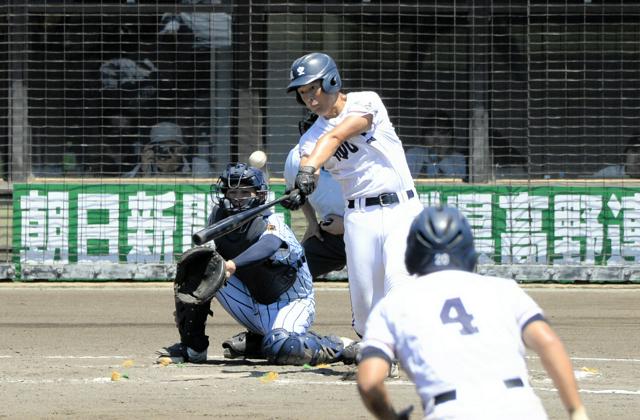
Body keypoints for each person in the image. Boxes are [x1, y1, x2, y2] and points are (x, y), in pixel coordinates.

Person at [356, 205, 590, 420]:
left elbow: (369, 382)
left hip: (451, 411)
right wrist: (576, 410)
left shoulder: (393, 304)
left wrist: (390, 417)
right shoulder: (502, 289)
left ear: (413, 253)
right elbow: (548, 341)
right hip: (520, 407)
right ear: (467, 249)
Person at [283, 52, 424, 343]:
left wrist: (309, 168)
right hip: (359, 218)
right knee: (364, 308)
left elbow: (335, 138)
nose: (310, 98)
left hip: (402, 209)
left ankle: (397, 346)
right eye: (302, 92)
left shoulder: (366, 101)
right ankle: (377, 345)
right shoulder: (308, 139)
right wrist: (302, 187)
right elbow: (313, 163)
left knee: (398, 280)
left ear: (332, 80)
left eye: (313, 88)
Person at [158, 163, 352, 366]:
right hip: (251, 299)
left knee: (285, 348)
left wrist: (231, 265)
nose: (237, 198)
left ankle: (337, 345)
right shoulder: (218, 217)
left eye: (245, 192)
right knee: (197, 267)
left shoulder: (272, 219)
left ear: (259, 195)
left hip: (290, 302)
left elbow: (268, 245)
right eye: (233, 192)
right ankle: (193, 347)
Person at [284, 111, 347, 280]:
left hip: (368, 233)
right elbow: (296, 190)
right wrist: (312, 222)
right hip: (330, 235)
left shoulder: (359, 159)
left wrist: (349, 225)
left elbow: (383, 209)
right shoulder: (296, 159)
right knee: (288, 275)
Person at [125, 121, 210, 177]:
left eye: (171, 148)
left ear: (181, 149)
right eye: (160, 148)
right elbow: (123, 191)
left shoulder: (197, 165)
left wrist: (170, 173)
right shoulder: (146, 166)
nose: (165, 152)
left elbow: (201, 194)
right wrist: (142, 171)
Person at [405, 111, 467, 180]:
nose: (436, 139)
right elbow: (406, 180)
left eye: (441, 133)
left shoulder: (458, 158)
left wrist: (442, 158)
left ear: (450, 136)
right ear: (424, 137)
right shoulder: (414, 154)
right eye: (431, 134)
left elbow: (459, 182)